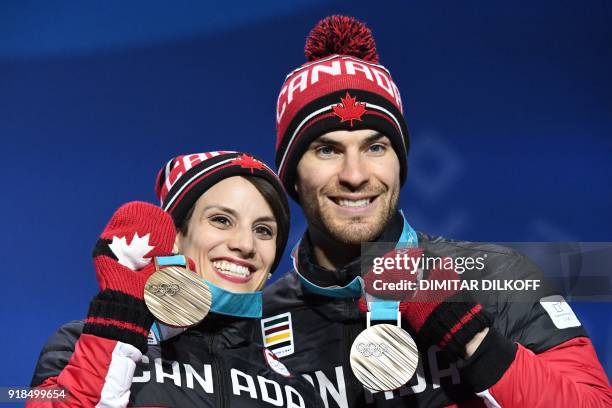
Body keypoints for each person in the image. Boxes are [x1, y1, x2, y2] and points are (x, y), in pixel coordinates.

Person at [261, 15, 612, 407]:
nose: (355, 175)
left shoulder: (500, 277)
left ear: (400, 164)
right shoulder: (256, 328)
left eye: (376, 147)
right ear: (291, 176)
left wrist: (470, 337)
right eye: (327, 150)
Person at [29, 151, 323, 407]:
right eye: (221, 220)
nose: (246, 244)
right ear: (175, 238)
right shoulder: (77, 343)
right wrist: (119, 324)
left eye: (263, 230)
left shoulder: (296, 389)